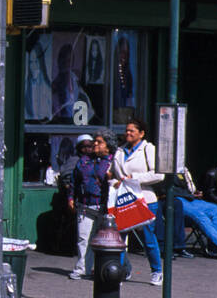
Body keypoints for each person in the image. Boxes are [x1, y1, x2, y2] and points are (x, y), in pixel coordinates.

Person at [109, 119, 167, 285]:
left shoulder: (148, 149)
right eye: (126, 130)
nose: (128, 133)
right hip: (125, 199)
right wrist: (113, 180)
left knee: (148, 238)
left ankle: (157, 271)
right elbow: (113, 173)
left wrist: (134, 178)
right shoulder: (120, 150)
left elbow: (158, 174)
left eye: (132, 131)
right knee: (120, 237)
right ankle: (120, 271)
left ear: (141, 133)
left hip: (145, 199)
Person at [66, 134, 105, 280]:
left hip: (103, 205)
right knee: (84, 238)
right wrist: (71, 197)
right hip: (85, 204)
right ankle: (83, 268)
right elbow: (74, 181)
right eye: (86, 146)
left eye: (93, 145)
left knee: (108, 239)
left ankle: (119, 267)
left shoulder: (108, 161)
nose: (90, 148)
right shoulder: (82, 162)